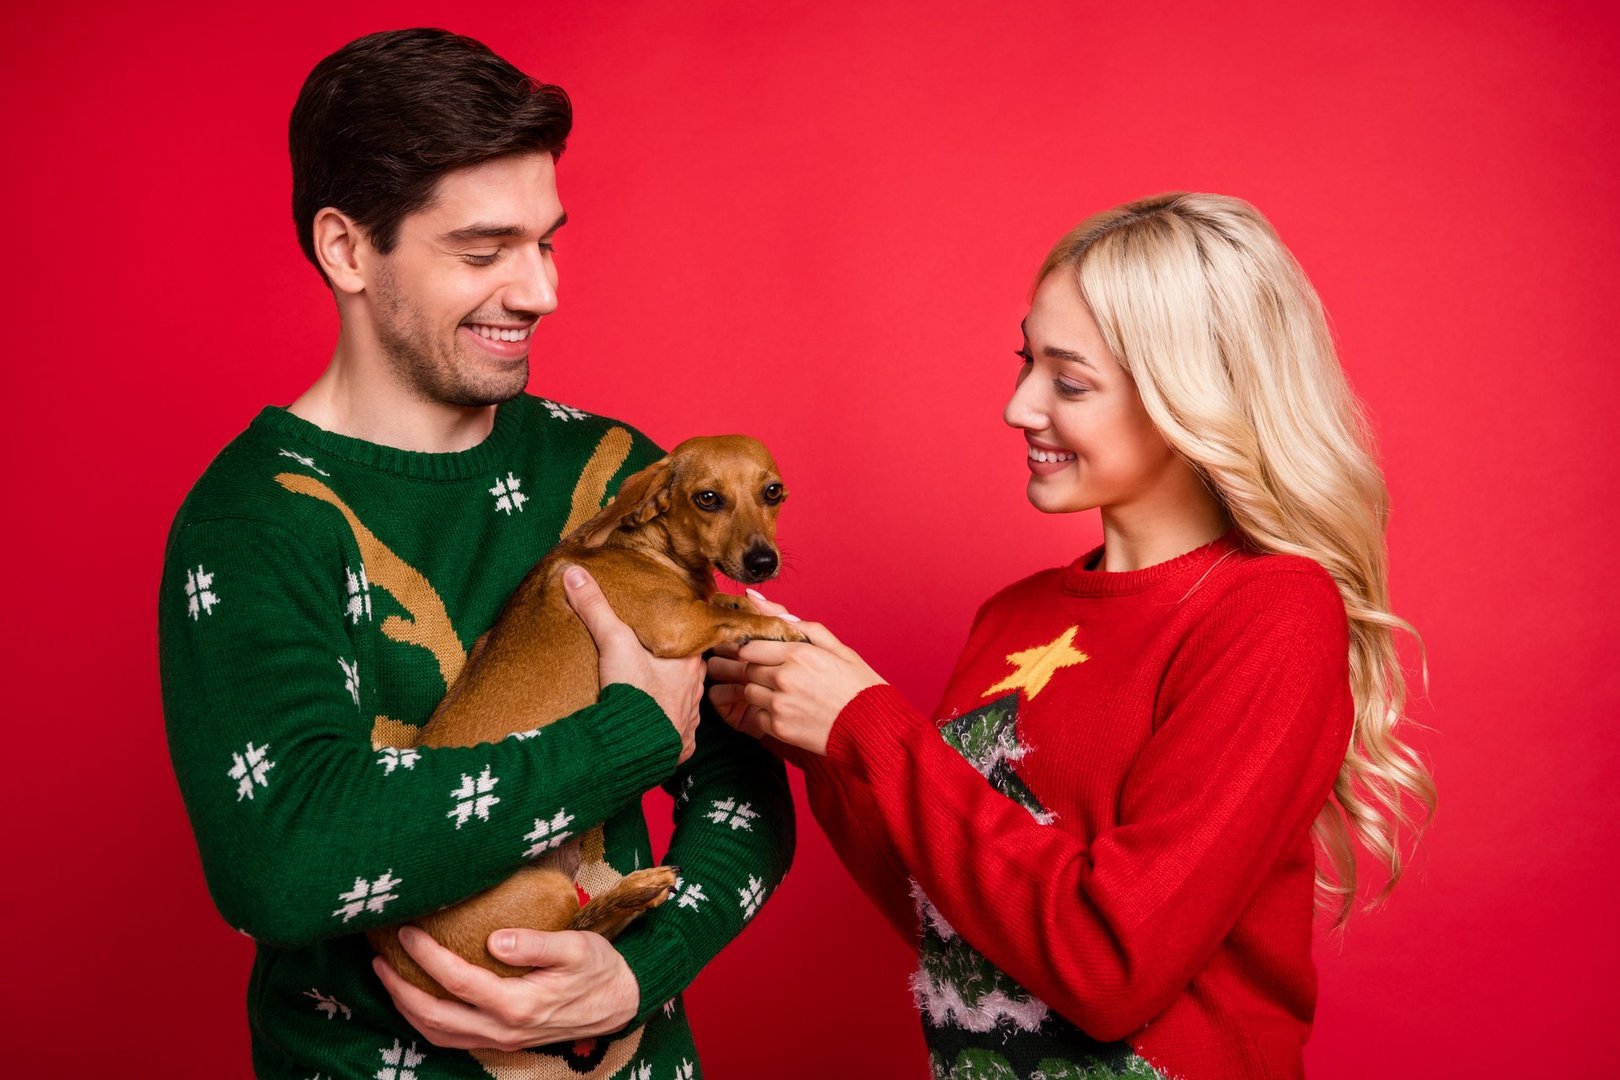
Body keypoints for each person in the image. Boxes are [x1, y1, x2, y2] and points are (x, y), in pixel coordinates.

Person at [159, 28, 792, 1080]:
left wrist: (647, 971)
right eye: (484, 251)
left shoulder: (617, 474)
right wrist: (627, 733)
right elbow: (283, 860)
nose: (541, 290)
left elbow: (743, 789)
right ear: (348, 249)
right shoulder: (255, 520)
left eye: (547, 242)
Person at [709, 193, 1434, 1079]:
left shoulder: (1272, 612)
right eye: (1026, 363)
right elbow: (965, 925)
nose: (1019, 407)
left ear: (1186, 397)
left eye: (1070, 380)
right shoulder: (1013, 615)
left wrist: (870, 726)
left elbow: (1109, 964)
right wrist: (818, 737)